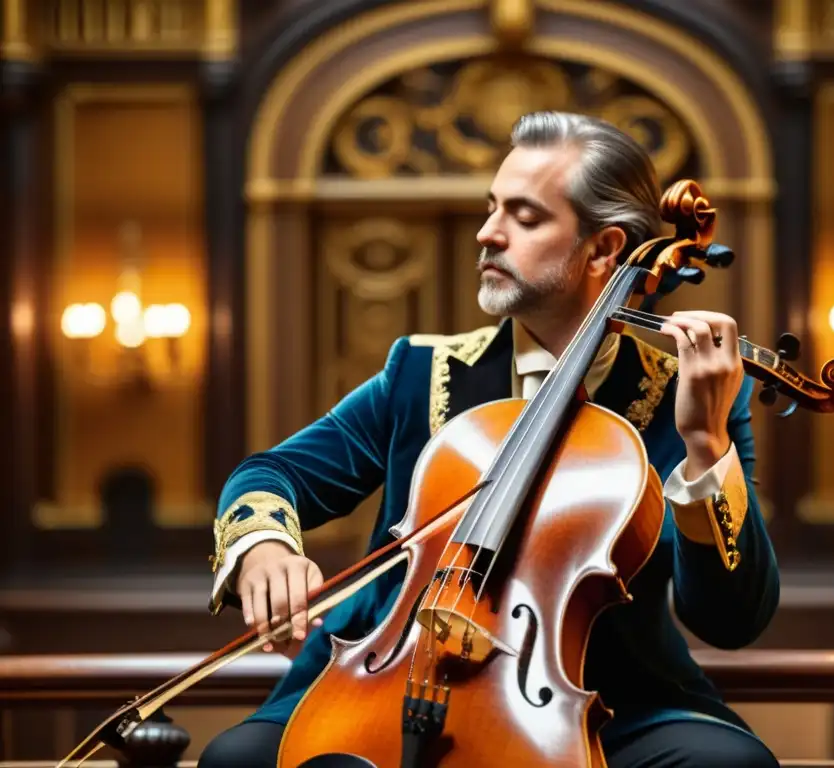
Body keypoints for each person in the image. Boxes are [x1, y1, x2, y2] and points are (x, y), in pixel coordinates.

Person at [198, 111, 780, 767]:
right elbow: (273, 475)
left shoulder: (687, 397)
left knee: (730, 767)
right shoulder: (419, 372)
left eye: (524, 217)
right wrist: (264, 545)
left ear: (605, 249)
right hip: (390, 678)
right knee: (239, 760)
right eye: (491, 207)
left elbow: (733, 620)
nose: (487, 233)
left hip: (600, 701)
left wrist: (704, 444)